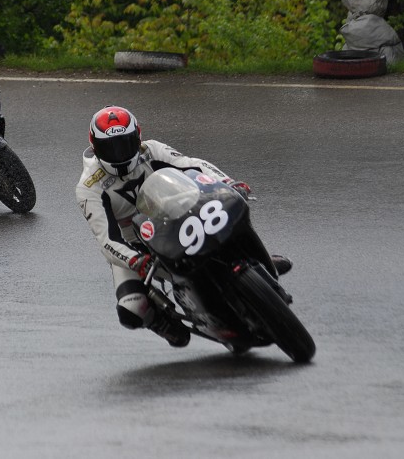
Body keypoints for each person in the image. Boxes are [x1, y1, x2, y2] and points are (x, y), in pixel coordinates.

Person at [75, 105, 292, 348]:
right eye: (110, 147)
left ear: (138, 136)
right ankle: (161, 321)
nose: (119, 153)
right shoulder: (88, 187)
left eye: (125, 143)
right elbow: (107, 240)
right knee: (131, 308)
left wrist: (228, 182)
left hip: (177, 216)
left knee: (229, 211)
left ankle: (259, 261)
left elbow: (193, 165)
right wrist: (135, 260)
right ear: (95, 146)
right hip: (135, 244)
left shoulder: (152, 149)